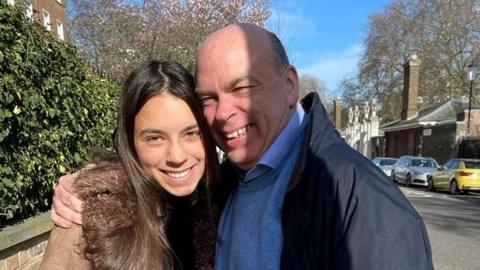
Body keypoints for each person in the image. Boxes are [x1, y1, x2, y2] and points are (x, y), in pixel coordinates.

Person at [52, 24, 434, 269]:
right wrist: (93, 186)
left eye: (244, 87)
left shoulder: (353, 195)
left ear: (289, 84)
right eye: (209, 98)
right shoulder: (231, 182)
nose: (225, 113)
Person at [41, 60, 218, 269]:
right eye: (155, 138)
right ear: (130, 142)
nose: (177, 156)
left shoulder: (224, 198)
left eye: (191, 133)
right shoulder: (89, 218)